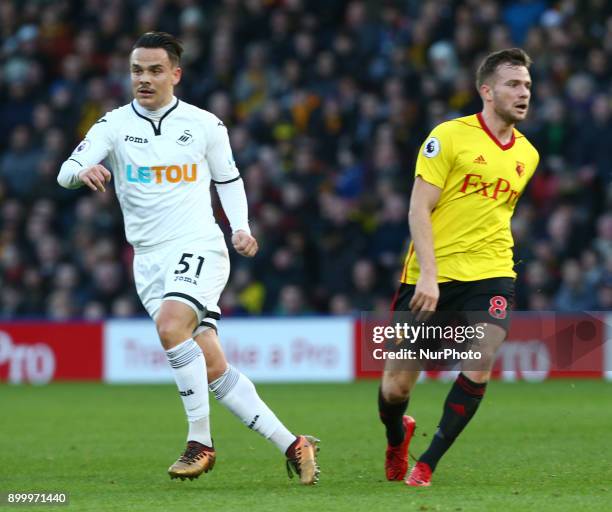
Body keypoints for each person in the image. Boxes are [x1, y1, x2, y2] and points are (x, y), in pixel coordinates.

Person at [58, 32, 319, 485]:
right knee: (212, 366)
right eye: (137, 70)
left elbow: (229, 180)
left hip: (199, 245)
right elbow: (64, 172)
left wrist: (241, 227)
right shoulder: (113, 126)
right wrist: (82, 171)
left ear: (175, 74)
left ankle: (200, 442)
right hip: (148, 260)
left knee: (169, 326)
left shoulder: (204, 125)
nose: (144, 78)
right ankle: (293, 445)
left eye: (155, 70)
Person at [377, 48, 538, 487]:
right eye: (513, 84)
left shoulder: (529, 155)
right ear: (487, 91)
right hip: (429, 276)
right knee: (396, 389)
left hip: (492, 273)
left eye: (526, 84)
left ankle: (426, 464)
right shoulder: (448, 137)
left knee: (481, 357)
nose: (524, 92)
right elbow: (418, 209)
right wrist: (428, 274)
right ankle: (397, 437)